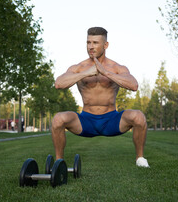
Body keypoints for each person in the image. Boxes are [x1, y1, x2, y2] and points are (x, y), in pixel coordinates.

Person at [52, 27, 149, 168]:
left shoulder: (116, 67)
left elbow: (133, 85)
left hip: (111, 120)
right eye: (88, 42)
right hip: (86, 121)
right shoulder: (79, 67)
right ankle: (58, 162)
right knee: (58, 119)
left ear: (106, 45)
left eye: (95, 43)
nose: (91, 47)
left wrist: (106, 73)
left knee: (138, 116)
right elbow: (59, 84)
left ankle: (140, 159)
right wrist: (86, 73)